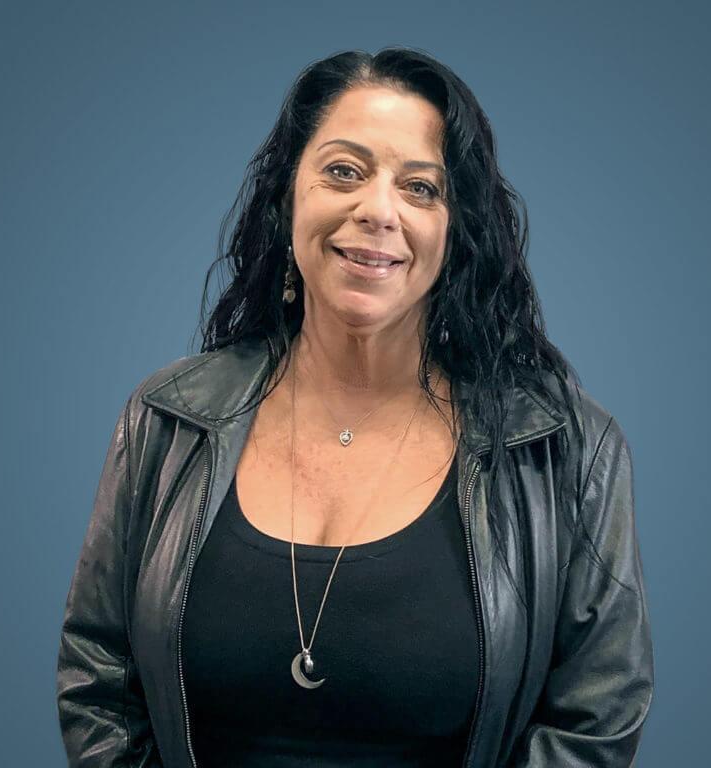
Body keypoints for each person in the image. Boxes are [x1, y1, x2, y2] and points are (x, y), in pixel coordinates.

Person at [56, 47, 654, 767]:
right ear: (289, 196)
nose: (378, 210)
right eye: (344, 171)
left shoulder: (567, 448)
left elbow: (595, 721)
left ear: (455, 228)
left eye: (420, 188)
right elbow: (99, 682)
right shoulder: (166, 419)